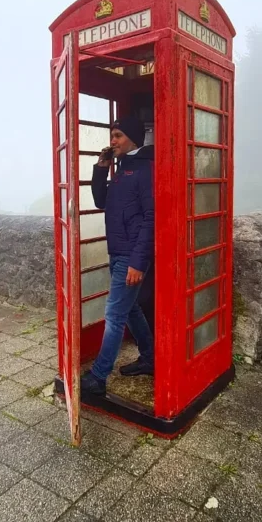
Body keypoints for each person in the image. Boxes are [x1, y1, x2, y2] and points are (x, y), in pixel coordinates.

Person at [80, 116, 155, 396]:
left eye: (119, 136)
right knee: (130, 309)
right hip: (118, 250)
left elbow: (152, 218)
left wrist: (138, 261)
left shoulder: (145, 168)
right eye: (113, 135)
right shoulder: (123, 167)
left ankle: (98, 377)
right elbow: (101, 201)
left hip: (130, 254)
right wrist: (101, 168)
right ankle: (150, 358)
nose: (113, 141)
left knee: (114, 314)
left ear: (133, 138)